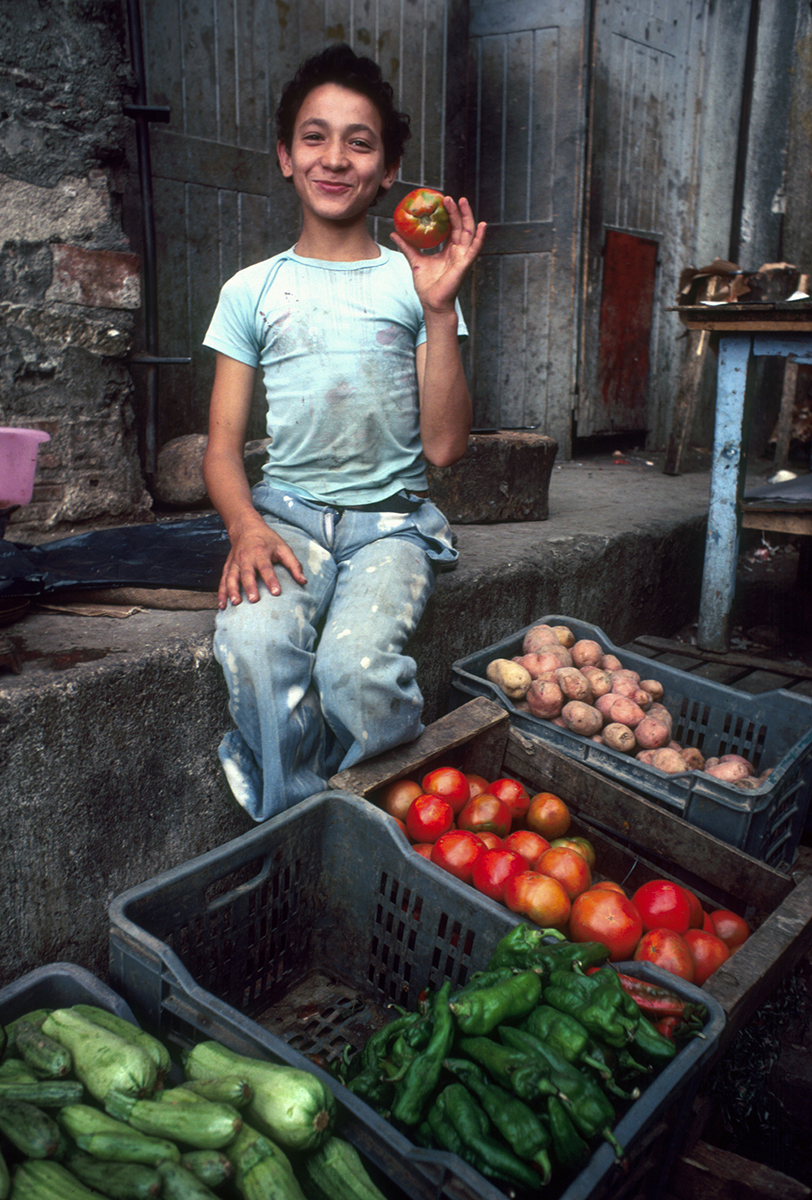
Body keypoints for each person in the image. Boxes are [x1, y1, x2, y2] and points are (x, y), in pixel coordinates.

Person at [201, 43, 486, 821]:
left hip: (389, 527)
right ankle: (299, 815)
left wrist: (437, 313)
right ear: (286, 156)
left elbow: (445, 448)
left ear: (390, 169)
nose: (335, 157)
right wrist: (245, 527)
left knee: (356, 675)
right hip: (285, 518)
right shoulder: (251, 290)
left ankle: (370, 804)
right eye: (315, 137)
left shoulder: (418, 282)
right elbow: (221, 447)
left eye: (359, 141)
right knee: (257, 647)